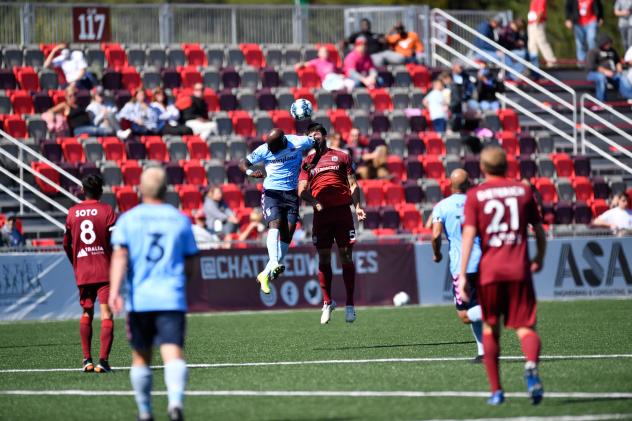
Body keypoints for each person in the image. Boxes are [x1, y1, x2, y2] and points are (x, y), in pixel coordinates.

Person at [458, 146, 547, 406]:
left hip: (490, 272)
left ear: (483, 169)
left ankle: (497, 391)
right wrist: (539, 258)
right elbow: (539, 230)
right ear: (507, 166)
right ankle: (530, 365)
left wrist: (462, 275)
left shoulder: (475, 195)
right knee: (525, 327)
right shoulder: (523, 190)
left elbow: (468, 236)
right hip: (519, 268)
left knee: (490, 327)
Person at [109, 167, 198, 421]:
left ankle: (145, 411)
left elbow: (120, 256)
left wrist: (115, 290)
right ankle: (175, 403)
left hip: (140, 300)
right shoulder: (179, 219)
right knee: (173, 354)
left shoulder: (128, 219)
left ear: (140, 189)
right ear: (166, 189)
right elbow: (191, 264)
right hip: (171, 297)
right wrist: (181, 284)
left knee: (141, 356)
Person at [298, 123, 366, 324]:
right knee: (324, 257)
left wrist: (358, 207)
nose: (313, 136)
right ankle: (327, 302)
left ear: (324, 135)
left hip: (343, 213)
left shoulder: (342, 156)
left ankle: (350, 304)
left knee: (346, 256)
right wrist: (314, 201)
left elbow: (353, 184)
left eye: (316, 133)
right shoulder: (307, 162)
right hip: (322, 215)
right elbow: (301, 190)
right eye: (309, 134)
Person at [239, 128, 317, 294]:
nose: (270, 150)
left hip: (291, 194)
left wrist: (312, 161)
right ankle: (274, 262)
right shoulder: (264, 149)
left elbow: (315, 141)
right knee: (275, 224)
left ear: (283, 142)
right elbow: (243, 162)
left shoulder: (297, 142)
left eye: (273, 147)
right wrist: (250, 172)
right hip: (272, 193)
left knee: (288, 234)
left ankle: (265, 275)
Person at [62, 174, 116, 373]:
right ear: (101, 191)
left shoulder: (72, 213)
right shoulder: (107, 211)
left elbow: (66, 244)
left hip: (83, 271)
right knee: (106, 314)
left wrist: (77, 264)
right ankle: (103, 361)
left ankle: (87, 360)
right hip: (104, 270)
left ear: (82, 190)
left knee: (86, 312)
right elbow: (115, 242)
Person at [431, 169, 484, 363]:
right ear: (469, 184)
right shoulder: (477, 202)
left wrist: (437, 254)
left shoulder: (442, 206)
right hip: (482, 262)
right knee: (475, 307)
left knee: (464, 315)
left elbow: (436, 235)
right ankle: (483, 352)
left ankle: (498, 310)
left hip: (461, 266)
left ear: (450, 185)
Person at [44, 85, 110, 137]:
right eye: (70, 96)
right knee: (103, 131)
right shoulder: (65, 105)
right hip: (78, 129)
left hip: (89, 126)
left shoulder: (80, 104)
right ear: (66, 96)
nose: (73, 97)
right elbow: (50, 111)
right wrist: (54, 119)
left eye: (74, 94)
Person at [586, 35, 632, 102]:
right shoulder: (593, 51)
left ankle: (629, 96)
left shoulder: (612, 51)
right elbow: (592, 66)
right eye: (607, 44)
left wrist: (618, 66)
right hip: (595, 73)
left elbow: (617, 61)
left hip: (612, 73)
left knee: (623, 77)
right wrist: (605, 71)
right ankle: (601, 101)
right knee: (601, 78)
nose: (609, 45)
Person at [528, 0, 557, 68]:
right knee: (532, 44)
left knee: (542, 43)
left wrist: (537, 22)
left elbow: (541, 11)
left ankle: (551, 61)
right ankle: (533, 63)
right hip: (532, 23)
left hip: (538, 23)